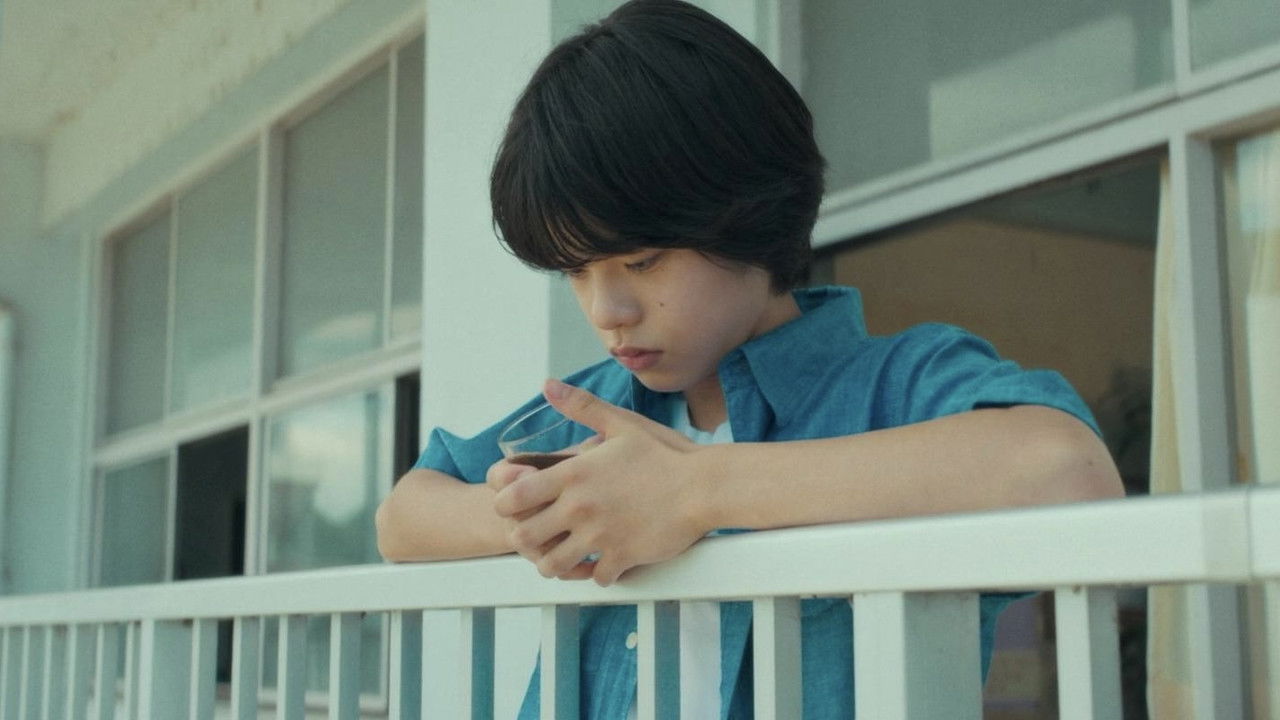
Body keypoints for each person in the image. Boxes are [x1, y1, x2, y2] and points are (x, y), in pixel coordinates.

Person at [374, 1, 1125, 717]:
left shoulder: (893, 386)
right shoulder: (593, 410)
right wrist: (553, 514)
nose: (607, 311)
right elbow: (403, 518)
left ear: (747, 213)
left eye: (642, 260)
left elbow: (1069, 473)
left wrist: (695, 492)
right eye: (576, 272)